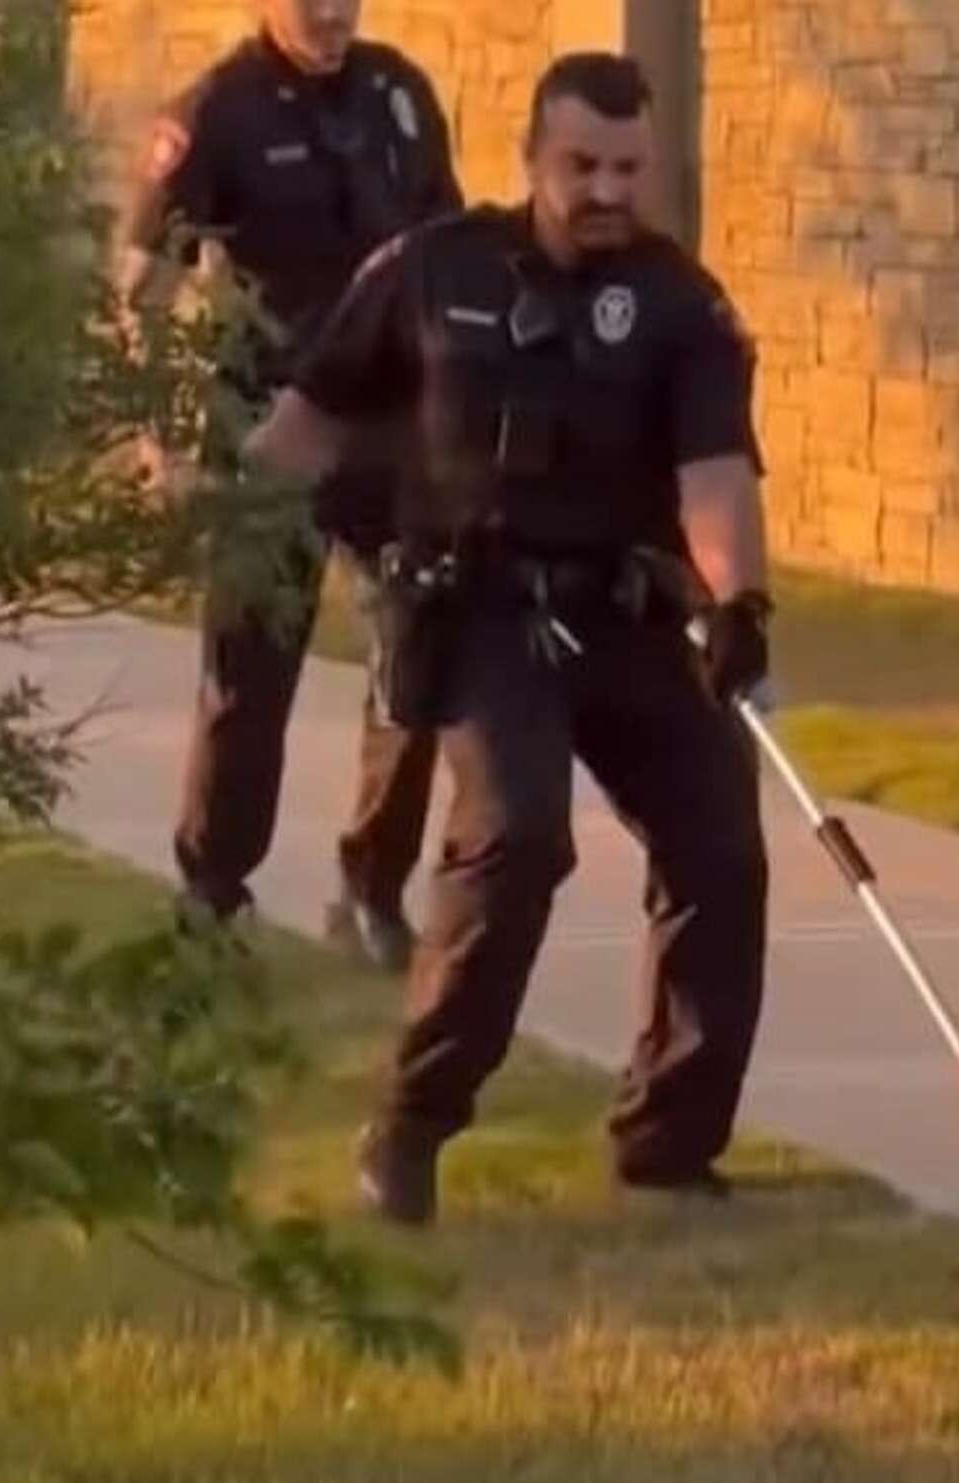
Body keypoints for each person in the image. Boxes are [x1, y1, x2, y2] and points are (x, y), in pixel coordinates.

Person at [242, 52, 775, 1226]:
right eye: (581, 164)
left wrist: (739, 604)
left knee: (721, 847)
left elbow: (715, 475)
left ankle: (668, 1143)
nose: (606, 189)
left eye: (628, 169)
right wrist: (225, 521)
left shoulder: (684, 304)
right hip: (478, 610)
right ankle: (413, 1124)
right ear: (534, 157)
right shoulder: (434, 271)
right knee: (518, 836)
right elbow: (312, 413)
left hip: (627, 613)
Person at [118, 0, 461, 971]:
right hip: (265, 435)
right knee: (248, 677)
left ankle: (371, 890)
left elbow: (450, 258)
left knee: (412, 662)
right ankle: (212, 897)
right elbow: (143, 281)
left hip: (389, 439)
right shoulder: (217, 110)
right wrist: (159, 436)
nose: (331, 8)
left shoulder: (400, 95)